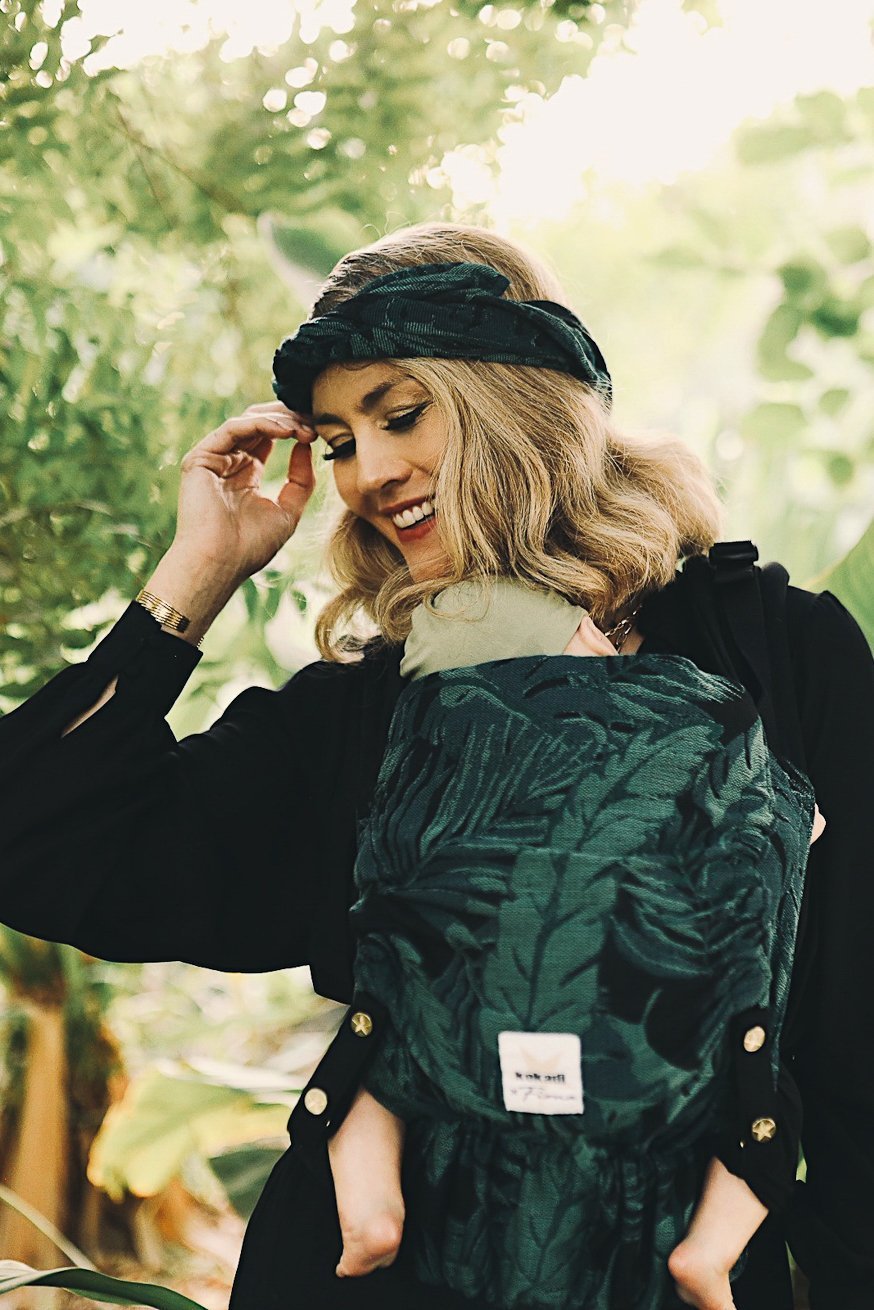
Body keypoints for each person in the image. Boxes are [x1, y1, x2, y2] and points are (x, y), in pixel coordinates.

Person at [0, 222, 870, 1310]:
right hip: (376, 1275)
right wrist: (198, 572)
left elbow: (854, 1021)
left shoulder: (772, 655)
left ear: (518, 400)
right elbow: (34, 837)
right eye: (336, 442)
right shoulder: (363, 713)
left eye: (401, 415)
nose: (368, 473)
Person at [325, 572, 826, 1310]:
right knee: (761, 1093)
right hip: (645, 1026)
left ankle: (372, 1213)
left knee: (375, 1072)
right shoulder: (690, 706)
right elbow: (790, 823)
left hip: (465, 1030)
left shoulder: (436, 743)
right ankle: (708, 1254)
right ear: (589, 635)